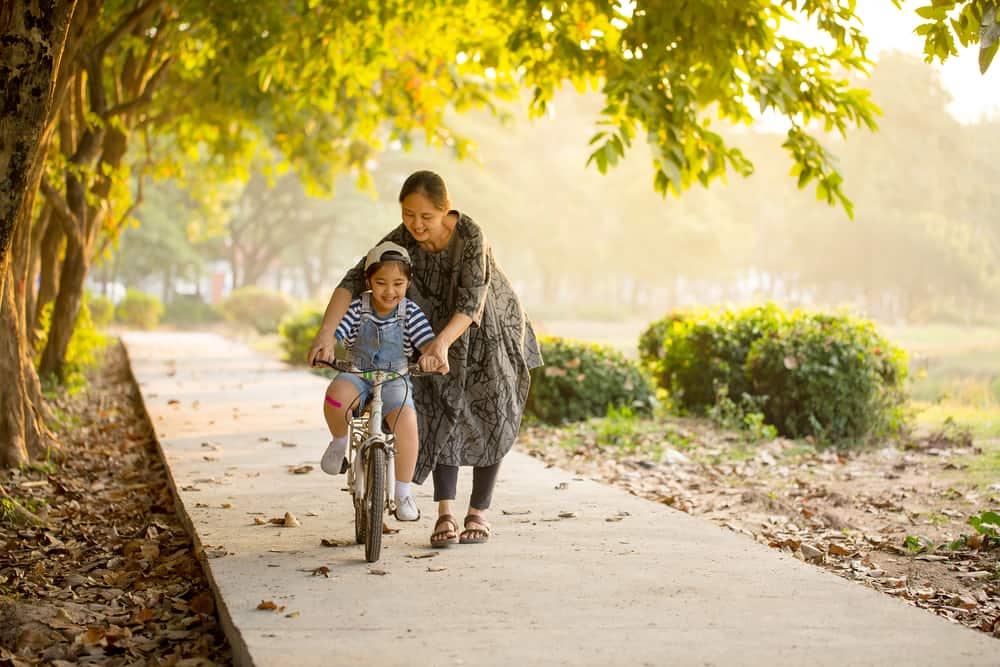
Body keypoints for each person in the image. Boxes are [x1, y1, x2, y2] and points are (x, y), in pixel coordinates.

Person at [309, 170, 542, 547]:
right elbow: (353, 280)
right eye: (408, 214)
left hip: (486, 327)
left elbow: (472, 301)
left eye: (426, 216)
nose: (416, 224)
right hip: (434, 331)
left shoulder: (471, 236)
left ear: (446, 209)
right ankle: (445, 513)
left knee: (491, 415)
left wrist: (441, 344)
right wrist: (326, 333)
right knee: (439, 410)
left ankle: (477, 512)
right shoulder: (402, 239)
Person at [316, 241, 436, 522]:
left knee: (408, 424)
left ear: (408, 283)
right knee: (335, 396)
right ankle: (339, 442)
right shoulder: (357, 308)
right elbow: (338, 332)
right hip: (357, 373)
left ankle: (403, 493)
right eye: (381, 282)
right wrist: (327, 348)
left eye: (398, 283)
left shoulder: (410, 312)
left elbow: (427, 343)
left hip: (395, 378)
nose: (389, 291)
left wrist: (431, 356)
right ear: (368, 280)